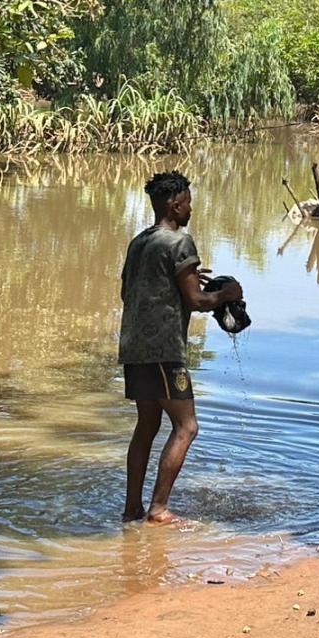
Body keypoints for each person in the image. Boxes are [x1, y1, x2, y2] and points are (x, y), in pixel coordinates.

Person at [118, 170, 243, 525]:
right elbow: (198, 301)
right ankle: (158, 509)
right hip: (164, 351)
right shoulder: (180, 242)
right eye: (187, 202)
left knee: (146, 426)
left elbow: (130, 292)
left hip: (134, 348)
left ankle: (132, 509)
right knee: (186, 427)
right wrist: (227, 294)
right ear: (174, 205)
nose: (191, 208)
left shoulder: (140, 242)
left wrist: (177, 284)